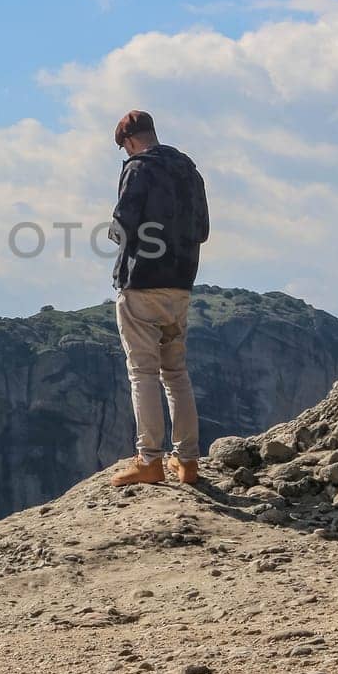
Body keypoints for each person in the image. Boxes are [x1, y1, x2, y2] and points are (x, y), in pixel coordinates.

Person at [104, 110, 210, 487]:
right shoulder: (190, 170)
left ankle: (149, 460)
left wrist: (117, 236)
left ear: (129, 142)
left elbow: (123, 225)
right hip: (181, 282)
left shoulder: (137, 168)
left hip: (142, 283)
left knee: (143, 372)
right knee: (176, 373)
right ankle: (189, 463)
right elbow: (203, 230)